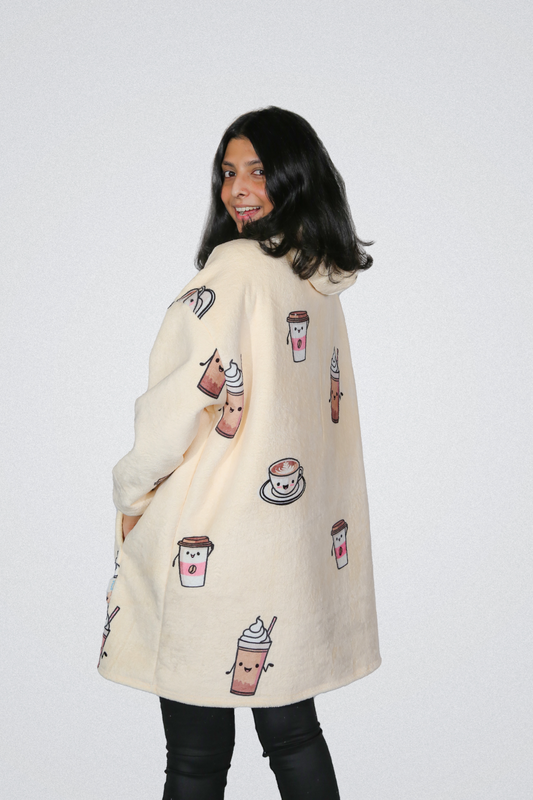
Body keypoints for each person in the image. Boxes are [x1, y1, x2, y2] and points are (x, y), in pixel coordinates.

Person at [98, 106, 381, 799]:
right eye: (228, 172)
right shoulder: (314, 281)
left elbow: (174, 406)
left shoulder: (234, 270)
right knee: (293, 736)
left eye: (258, 170)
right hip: (285, 552)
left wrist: (131, 494)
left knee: (196, 759)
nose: (237, 189)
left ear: (296, 177)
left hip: (211, 538)